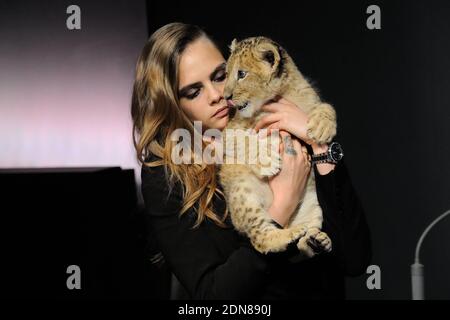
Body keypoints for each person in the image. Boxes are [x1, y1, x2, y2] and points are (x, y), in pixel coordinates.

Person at [131, 22, 371, 299]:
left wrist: (319, 144)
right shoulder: (166, 175)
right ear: (172, 102)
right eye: (193, 91)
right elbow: (213, 297)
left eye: (221, 76)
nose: (218, 95)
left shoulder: (279, 117)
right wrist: (281, 206)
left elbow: (355, 259)